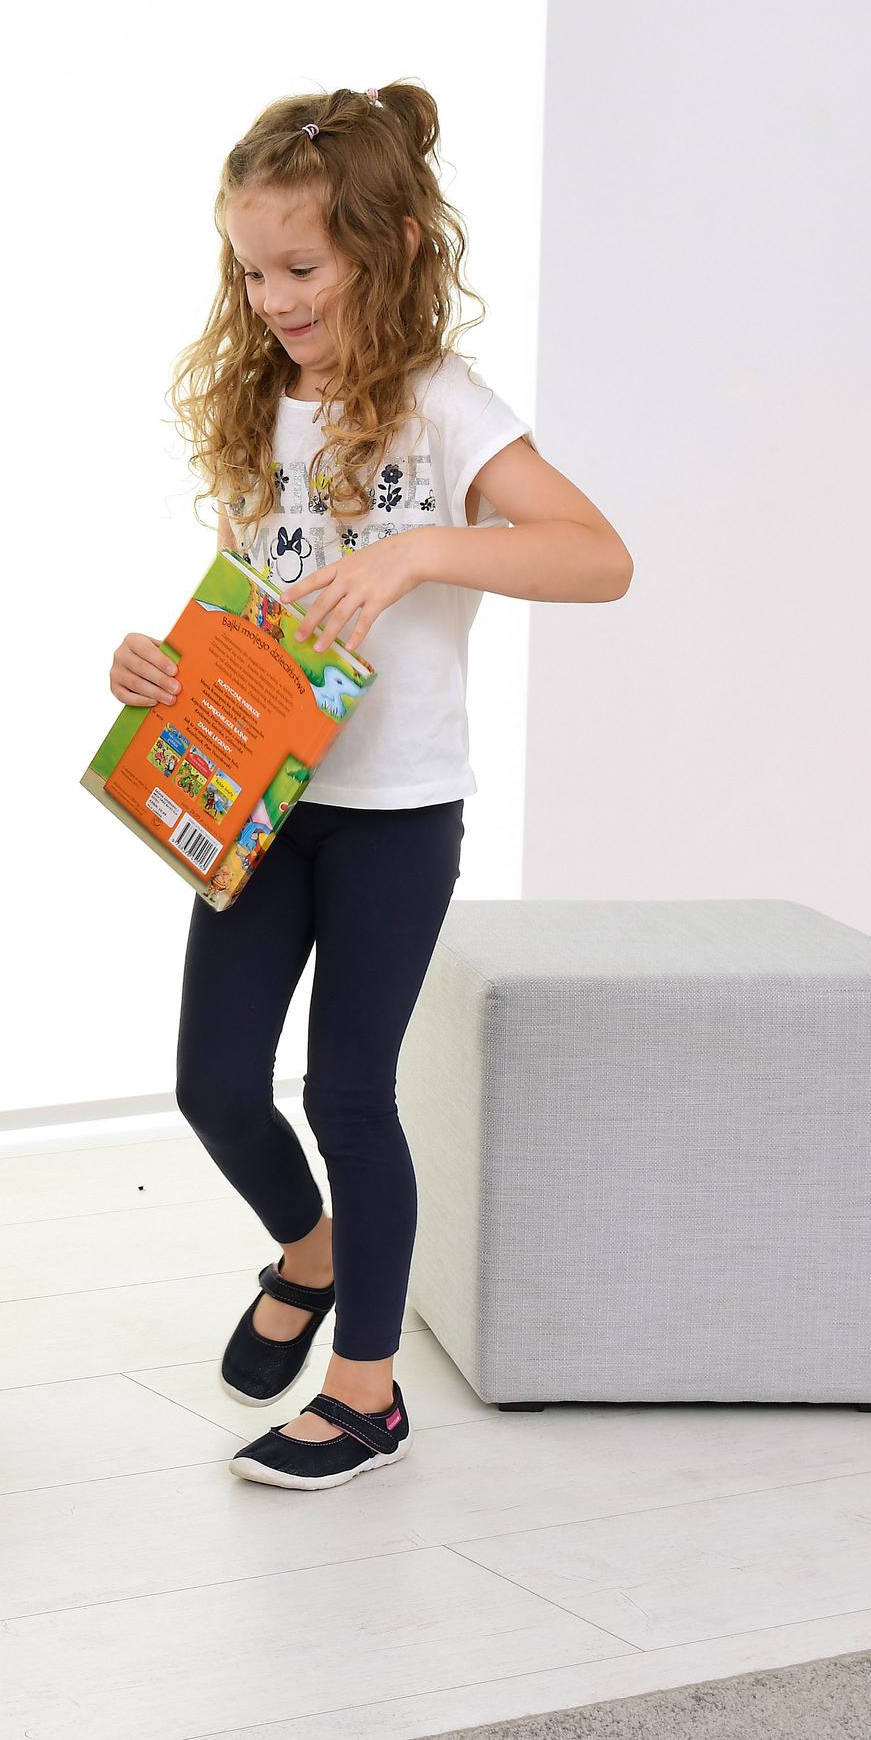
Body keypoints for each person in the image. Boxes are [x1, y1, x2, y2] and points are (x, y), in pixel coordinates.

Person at [109, 83, 630, 1491]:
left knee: (349, 1091)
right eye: (251, 271)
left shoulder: (447, 408)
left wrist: (421, 552)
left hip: (396, 814)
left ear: (389, 248)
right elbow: (251, 600)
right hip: (263, 802)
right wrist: (159, 663)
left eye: (300, 268)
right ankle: (309, 1247)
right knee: (214, 1084)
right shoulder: (257, 404)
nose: (271, 297)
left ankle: (365, 1393)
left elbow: (597, 555)